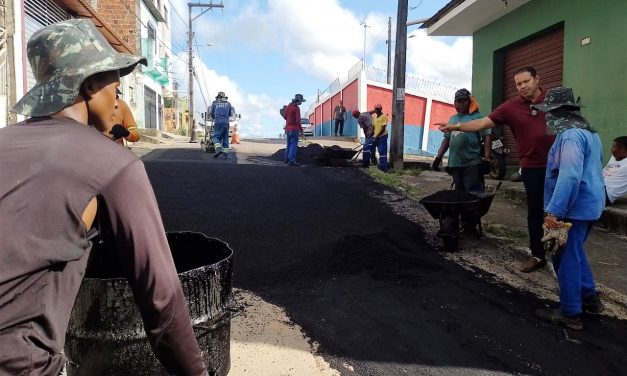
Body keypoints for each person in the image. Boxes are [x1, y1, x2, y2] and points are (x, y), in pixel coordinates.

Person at [0, 19, 207, 375]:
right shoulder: (111, 163)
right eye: (117, 82)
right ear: (90, 84)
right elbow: (162, 298)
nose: (120, 97)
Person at [438, 67, 555, 273]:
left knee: (562, 213)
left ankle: (564, 256)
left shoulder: (554, 99)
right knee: (535, 212)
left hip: (559, 166)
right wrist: (454, 128)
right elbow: (483, 123)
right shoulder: (511, 107)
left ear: (537, 79)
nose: (523, 87)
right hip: (532, 167)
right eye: (518, 84)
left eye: (526, 81)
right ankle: (538, 255)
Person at [531, 87, 605, 330]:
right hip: (591, 204)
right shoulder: (590, 133)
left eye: (549, 114)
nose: (547, 119)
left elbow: (570, 176)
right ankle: (590, 298)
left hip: (573, 207)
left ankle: (570, 312)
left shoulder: (570, 136)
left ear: (557, 113)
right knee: (576, 252)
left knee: (564, 257)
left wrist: (554, 211)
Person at [602, 136, 627, 205]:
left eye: (614, 147)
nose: (611, 149)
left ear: (623, 149)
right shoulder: (615, 156)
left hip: (605, 193)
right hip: (598, 183)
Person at [209, 91, 233, 159]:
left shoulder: (214, 103)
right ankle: (225, 154)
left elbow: (212, 114)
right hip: (226, 123)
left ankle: (218, 148)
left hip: (218, 122)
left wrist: (215, 117)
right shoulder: (228, 104)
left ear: (218, 97)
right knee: (225, 138)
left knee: (215, 137)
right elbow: (230, 114)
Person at [284, 93, 306, 166]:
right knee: (293, 144)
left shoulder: (289, 106)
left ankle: (286, 158)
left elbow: (285, 116)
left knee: (289, 144)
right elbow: (298, 121)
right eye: (301, 101)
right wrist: (301, 131)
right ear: (298, 100)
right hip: (294, 129)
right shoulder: (296, 108)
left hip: (288, 129)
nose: (301, 103)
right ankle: (292, 160)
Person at [371, 104, 389, 172]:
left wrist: (376, 137)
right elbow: (373, 128)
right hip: (376, 136)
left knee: (382, 153)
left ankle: (384, 169)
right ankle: (378, 165)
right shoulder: (374, 117)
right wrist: (371, 136)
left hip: (382, 136)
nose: (377, 110)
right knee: (372, 150)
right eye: (376, 109)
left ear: (381, 108)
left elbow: (382, 129)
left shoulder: (384, 117)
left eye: (378, 109)